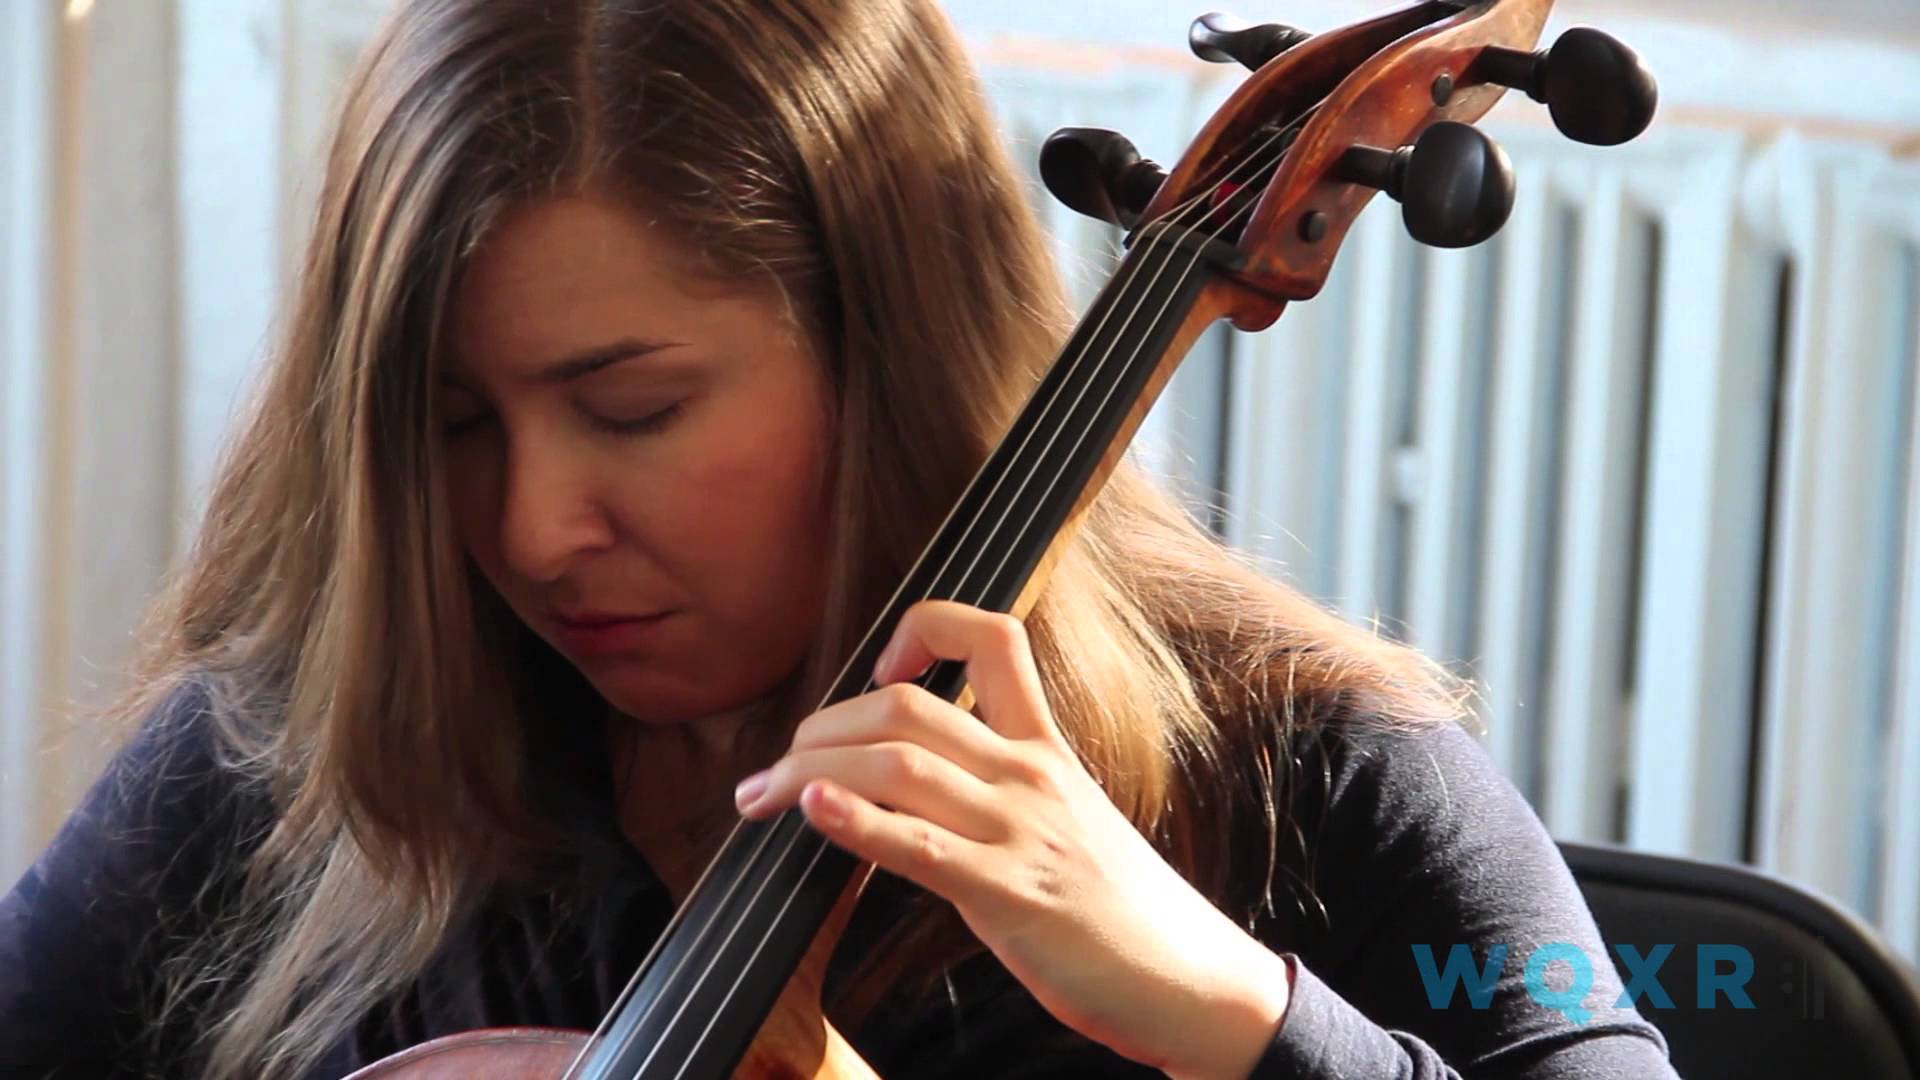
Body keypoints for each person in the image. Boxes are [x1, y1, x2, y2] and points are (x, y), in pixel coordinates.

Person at [0, 2, 1682, 1078]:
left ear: (887, 354)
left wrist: (1240, 1017)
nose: (530, 527)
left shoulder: (1316, 769)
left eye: (634, 407)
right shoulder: (309, 749)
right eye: (452, 424)